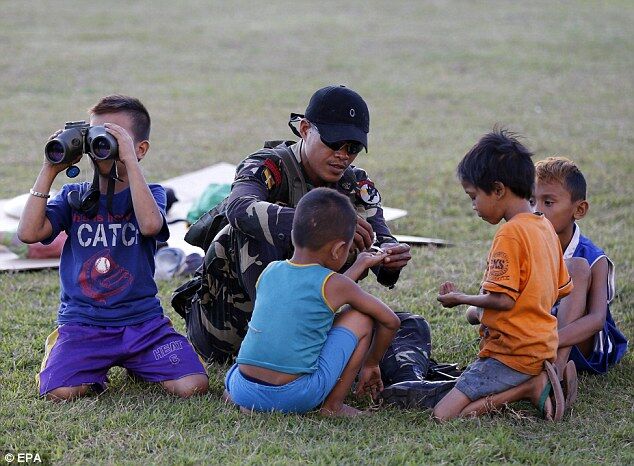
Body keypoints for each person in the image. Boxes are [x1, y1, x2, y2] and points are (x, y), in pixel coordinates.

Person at [175, 85, 444, 405]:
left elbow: (382, 242)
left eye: (353, 147)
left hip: (308, 326)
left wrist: (389, 259)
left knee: (407, 324)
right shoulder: (268, 166)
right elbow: (239, 208)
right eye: (334, 142)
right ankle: (302, 359)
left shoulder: (356, 185)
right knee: (246, 230)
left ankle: (405, 382)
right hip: (233, 325)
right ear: (304, 129)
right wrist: (315, 223)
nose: (343, 155)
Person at [18, 94, 208, 401]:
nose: (102, 147)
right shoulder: (73, 196)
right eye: (96, 136)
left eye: (113, 137)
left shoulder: (152, 194)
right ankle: (79, 358)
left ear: (141, 148)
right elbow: (28, 233)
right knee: (60, 392)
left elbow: (150, 226)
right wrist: (49, 168)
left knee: (193, 386)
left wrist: (129, 161)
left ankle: (139, 361)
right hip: (84, 326)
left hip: (142, 324)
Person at [433, 129, 574, 421]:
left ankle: (527, 388)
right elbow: (560, 288)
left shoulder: (509, 233)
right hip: (541, 346)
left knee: (442, 416)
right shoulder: (544, 226)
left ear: (498, 190)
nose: (473, 206)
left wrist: (461, 299)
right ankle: (534, 379)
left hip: (511, 353)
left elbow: (503, 300)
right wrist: (480, 310)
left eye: (474, 197)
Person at [224, 188, 400, 416]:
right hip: (295, 395)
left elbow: (320, 295)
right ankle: (333, 406)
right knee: (361, 318)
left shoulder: (270, 271)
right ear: (339, 250)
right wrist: (371, 363)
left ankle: (243, 401)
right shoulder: (336, 284)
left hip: (242, 388)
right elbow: (391, 321)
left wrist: (358, 265)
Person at [533, 157, 627, 385]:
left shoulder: (594, 257)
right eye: (531, 200)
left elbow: (596, 320)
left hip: (584, 344)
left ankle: (555, 371)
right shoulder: (530, 244)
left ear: (579, 209)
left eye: (548, 202)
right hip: (543, 335)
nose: (537, 210)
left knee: (576, 268)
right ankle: (543, 367)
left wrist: (548, 341)